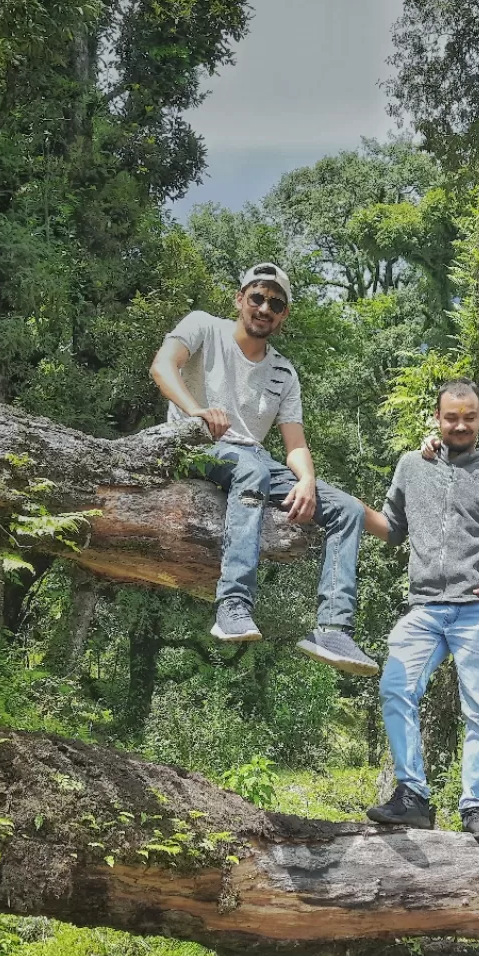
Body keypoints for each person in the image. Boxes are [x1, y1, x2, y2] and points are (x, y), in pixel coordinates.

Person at [150, 262, 378, 674]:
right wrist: (196, 411)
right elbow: (162, 367)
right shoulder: (203, 326)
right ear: (240, 299)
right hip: (194, 442)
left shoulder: (283, 372)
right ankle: (233, 605)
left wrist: (306, 478)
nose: (264, 307)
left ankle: (333, 629)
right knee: (251, 471)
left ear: (284, 314)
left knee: (347, 509)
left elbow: (294, 443)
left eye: (275, 303)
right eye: (257, 297)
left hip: (253, 457)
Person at [364, 380, 479, 845]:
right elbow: (391, 529)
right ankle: (413, 797)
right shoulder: (411, 465)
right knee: (395, 688)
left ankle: (474, 807)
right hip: (423, 608)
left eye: (469, 417)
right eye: (451, 417)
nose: (459, 425)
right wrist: (348, 507)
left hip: (478, 610)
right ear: (437, 418)